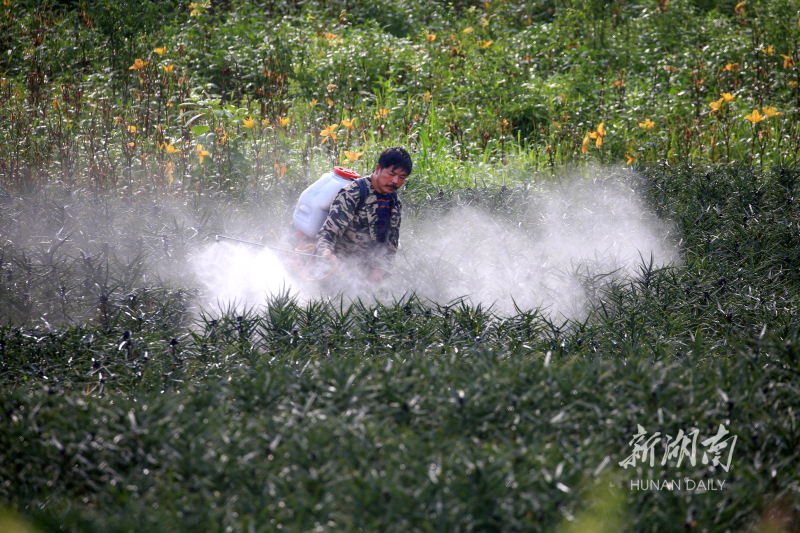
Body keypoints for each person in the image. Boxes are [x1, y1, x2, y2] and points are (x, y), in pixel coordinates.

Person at [316, 147, 412, 287]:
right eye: (391, 174)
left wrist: (381, 269)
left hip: (366, 277)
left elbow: (391, 244)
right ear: (378, 168)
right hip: (338, 271)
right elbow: (328, 233)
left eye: (402, 177)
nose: (395, 181)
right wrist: (326, 253)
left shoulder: (394, 201)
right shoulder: (353, 193)